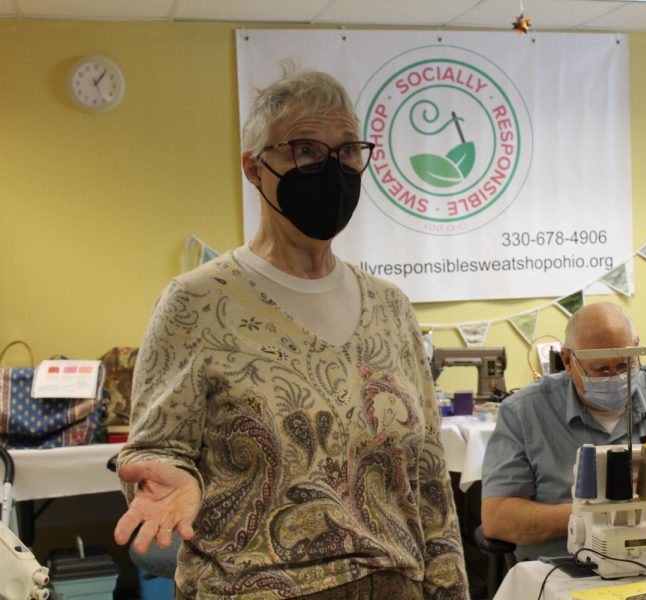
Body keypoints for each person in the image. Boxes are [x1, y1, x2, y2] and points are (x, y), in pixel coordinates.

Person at [113, 68, 469, 599]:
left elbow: (429, 479)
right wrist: (169, 473)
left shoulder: (391, 308)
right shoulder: (197, 302)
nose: (333, 168)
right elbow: (157, 447)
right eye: (306, 150)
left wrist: (450, 589)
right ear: (255, 169)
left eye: (348, 151)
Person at [480, 302, 646, 560]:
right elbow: (498, 518)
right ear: (568, 360)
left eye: (625, 365)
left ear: (636, 345)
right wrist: (598, 513)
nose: (616, 377)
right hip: (561, 569)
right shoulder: (523, 412)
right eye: (602, 369)